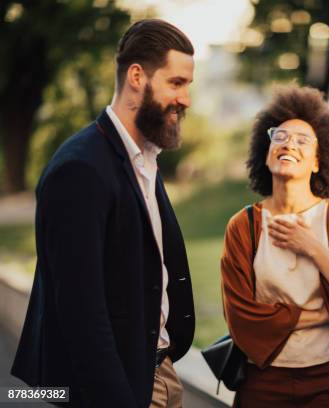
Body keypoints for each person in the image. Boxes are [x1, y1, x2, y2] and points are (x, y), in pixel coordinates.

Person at [11, 19, 196, 407]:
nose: (186, 99)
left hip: (159, 373)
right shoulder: (80, 169)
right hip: (120, 387)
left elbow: (147, 270)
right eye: (177, 83)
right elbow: (81, 312)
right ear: (136, 77)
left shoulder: (145, 160)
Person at [220, 85, 329, 408]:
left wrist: (315, 250)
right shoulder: (243, 227)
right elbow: (241, 319)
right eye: (279, 137)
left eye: (302, 140)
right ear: (265, 155)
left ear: (318, 162)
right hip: (264, 380)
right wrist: (323, 313)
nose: (288, 144)